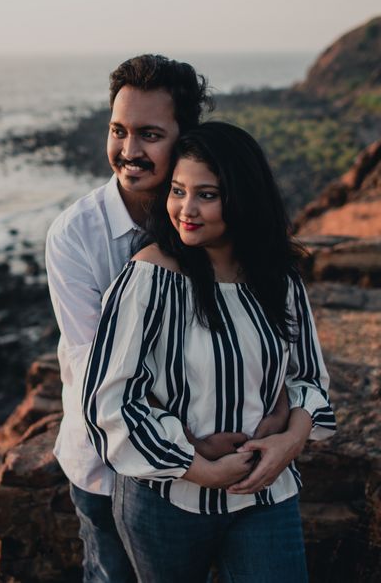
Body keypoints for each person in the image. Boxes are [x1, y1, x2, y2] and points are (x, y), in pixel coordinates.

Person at [45, 56, 290, 582]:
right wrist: (187, 448)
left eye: (149, 134)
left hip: (228, 463)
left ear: (184, 139)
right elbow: (98, 370)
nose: (129, 151)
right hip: (108, 468)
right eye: (118, 130)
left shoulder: (211, 228)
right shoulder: (75, 235)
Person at [82, 122, 336, 582]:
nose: (186, 209)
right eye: (178, 190)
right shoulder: (148, 278)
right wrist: (199, 468)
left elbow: (310, 378)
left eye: (208, 195)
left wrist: (291, 440)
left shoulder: (277, 278)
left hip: (267, 494)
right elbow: (110, 402)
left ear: (240, 197)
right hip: (167, 502)